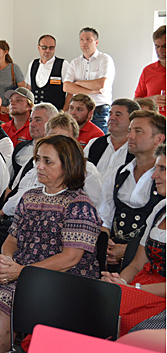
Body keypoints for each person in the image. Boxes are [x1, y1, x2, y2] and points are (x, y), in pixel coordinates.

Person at [0, 135, 102, 353]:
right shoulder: (29, 197)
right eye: (38, 159)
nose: (39, 166)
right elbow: (12, 240)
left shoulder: (79, 204)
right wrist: (8, 263)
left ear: (68, 166)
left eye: (48, 161)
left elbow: (70, 258)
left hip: (63, 280)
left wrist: (22, 272)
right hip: (23, 272)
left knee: (3, 298)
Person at [101, 143, 166, 336]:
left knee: (121, 323)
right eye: (156, 168)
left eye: (162, 169)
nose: (154, 176)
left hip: (159, 295)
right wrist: (120, 282)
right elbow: (137, 264)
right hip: (142, 286)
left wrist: (132, 289)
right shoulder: (160, 208)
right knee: (94, 303)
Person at [2, 113, 104, 226]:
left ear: (75, 140)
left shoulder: (86, 170)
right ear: (45, 137)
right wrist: (1, 213)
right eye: (53, 137)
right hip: (14, 220)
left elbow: (94, 209)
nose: (57, 144)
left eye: (64, 139)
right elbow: (17, 192)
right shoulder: (34, 163)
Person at [99, 110, 166, 269]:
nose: (130, 136)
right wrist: (105, 245)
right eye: (130, 130)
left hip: (148, 262)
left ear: (159, 139)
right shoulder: (118, 174)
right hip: (110, 257)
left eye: (138, 131)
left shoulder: (163, 180)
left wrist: (128, 250)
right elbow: (104, 216)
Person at [63, 27, 115, 134]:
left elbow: (101, 84)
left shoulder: (105, 59)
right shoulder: (75, 62)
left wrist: (77, 83)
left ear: (96, 42)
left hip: (99, 109)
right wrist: (90, 91)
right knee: (76, 140)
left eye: (88, 39)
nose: (84, 42)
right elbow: (66, 87)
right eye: (81, 39)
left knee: (98, 140)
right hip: (77, 109)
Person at [85, 98, 139, 175]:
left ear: (132, 120)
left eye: (118, 115)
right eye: (110, 114)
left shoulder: (137, 149)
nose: (111, 118)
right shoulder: (94, 143)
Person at [25, 35, 70, 110]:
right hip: (35, 111)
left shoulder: (63, 64)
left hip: (56, 112)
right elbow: (29, 89)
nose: (48, 50)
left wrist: (64, 112)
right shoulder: (33, 64)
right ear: (38, 47)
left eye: (51, 48)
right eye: (44, 47)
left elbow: (70, 92)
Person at [0, 40, 26, 120]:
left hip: (11, 110)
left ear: (6, 51)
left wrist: (10, 106)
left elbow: (22, 90)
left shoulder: (14, 68)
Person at [134, 25, 166, 116]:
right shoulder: (148, 70)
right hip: (154, 121)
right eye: (157, 46)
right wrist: (151, 100)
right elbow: (136, 101)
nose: (160, 50)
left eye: (165, 46)